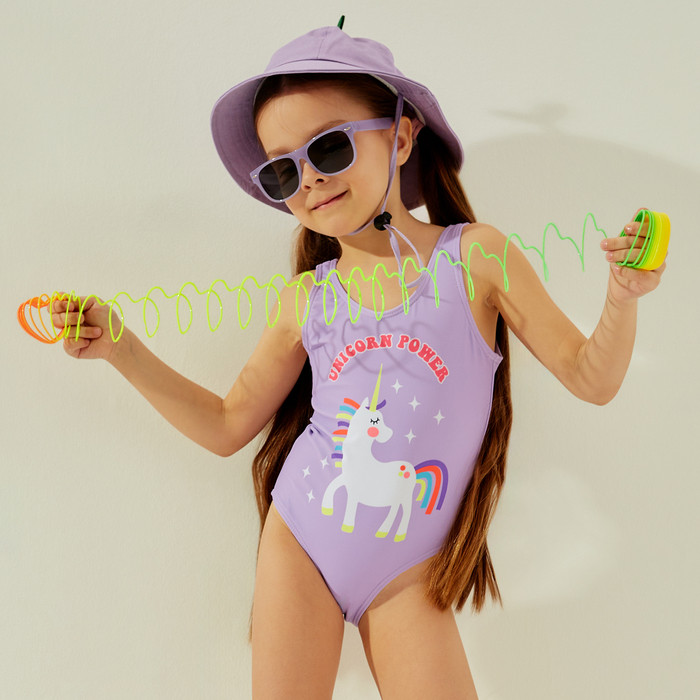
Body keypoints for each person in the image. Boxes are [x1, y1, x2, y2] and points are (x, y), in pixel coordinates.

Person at [51, 24, 666, 700]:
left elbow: (591, 378)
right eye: (284, 170)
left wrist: (622, 297)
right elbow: (228, 424)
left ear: (400, 136)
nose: (310, 178)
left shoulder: (476, 257)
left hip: (407, 571)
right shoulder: (306, 299)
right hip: (301, 542)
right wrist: (120, 348)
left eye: (330, 147)